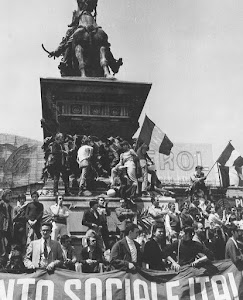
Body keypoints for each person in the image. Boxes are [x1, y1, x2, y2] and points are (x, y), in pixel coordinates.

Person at [0, 190, 13, 257]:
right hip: (2, 225)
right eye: (8, 195)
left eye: (10, 195)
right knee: (2, 239)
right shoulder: (1, 204)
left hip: (8, 225)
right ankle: (3, 254)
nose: (10, 197)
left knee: (10, 239)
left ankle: (7, 254)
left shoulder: (9, 205)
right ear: (4, 196)